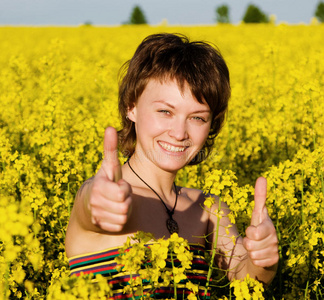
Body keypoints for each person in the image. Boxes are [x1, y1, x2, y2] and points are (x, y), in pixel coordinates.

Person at [65, 33, 279, 299]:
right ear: (131, 107)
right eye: (165, 111)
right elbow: (92, 208)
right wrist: (95, 201)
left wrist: (263, 262)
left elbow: (244, 278)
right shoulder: (105, 196)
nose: (179, 133)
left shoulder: (210, 210)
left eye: (197, 118)